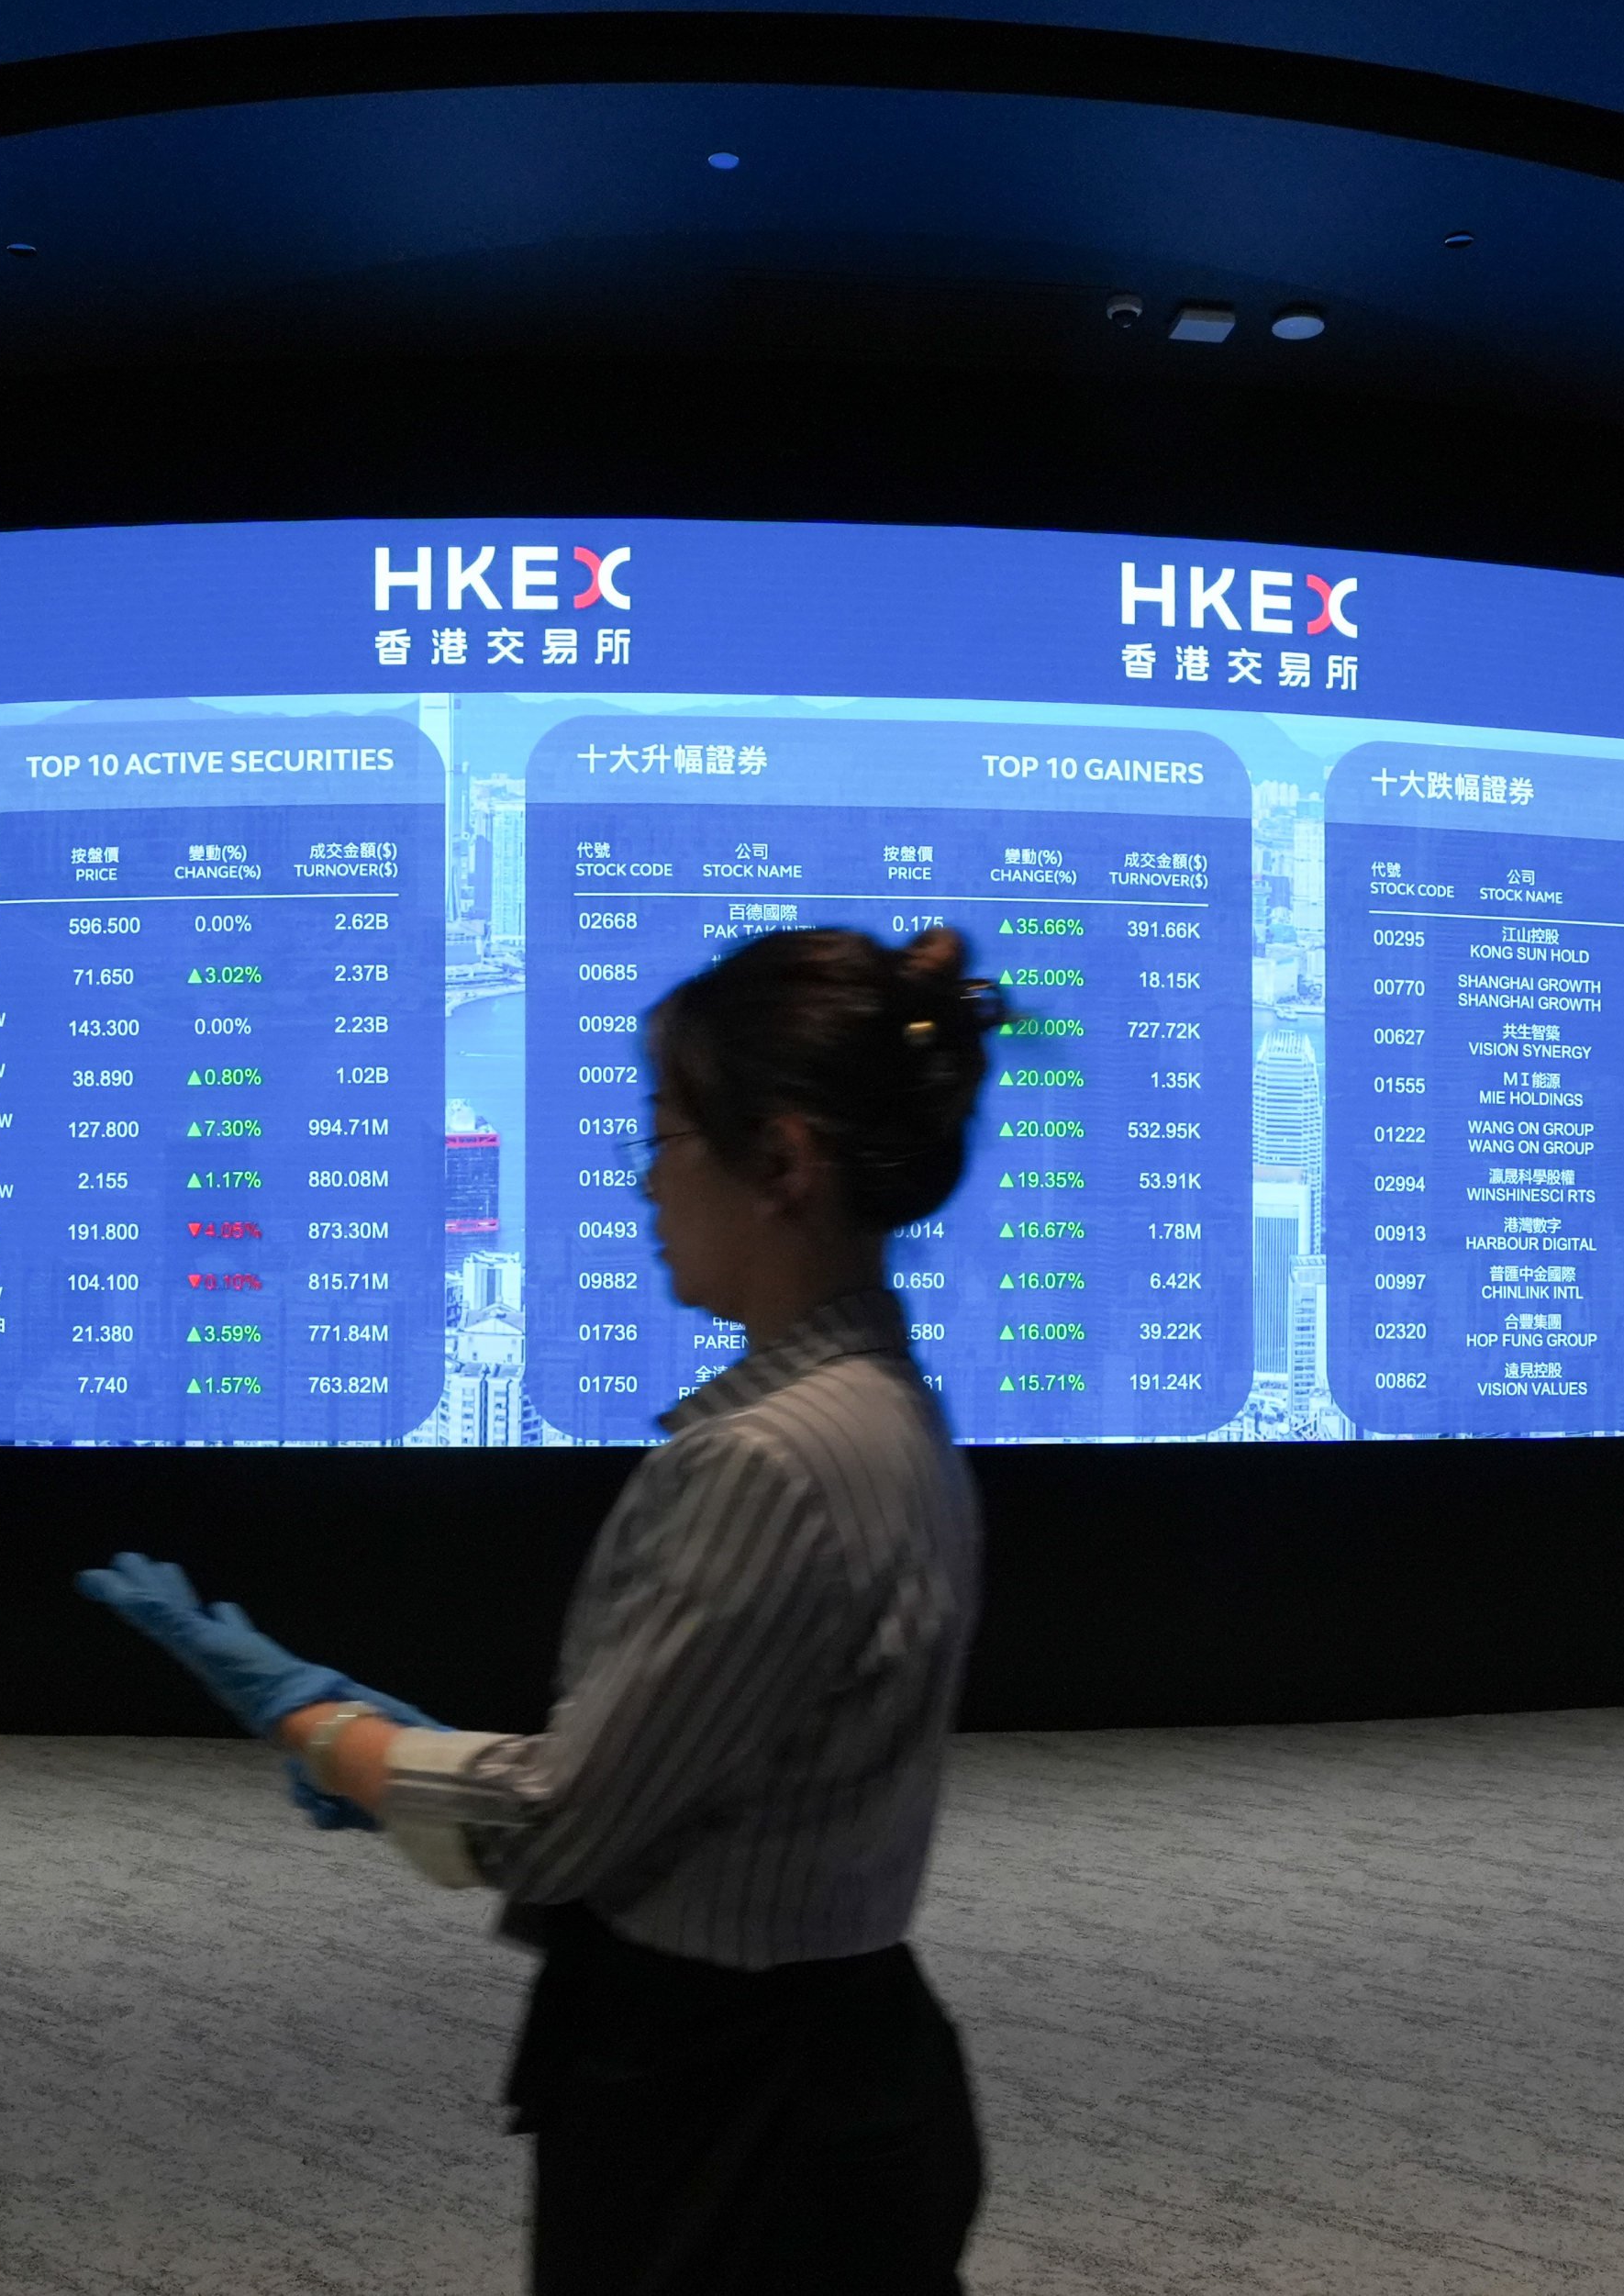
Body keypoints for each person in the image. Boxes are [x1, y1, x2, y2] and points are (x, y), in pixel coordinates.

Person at [80, 921, 1006, 2294]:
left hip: (732, 2113)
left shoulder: (771, 1462)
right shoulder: (884, 1410)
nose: (645, 1183)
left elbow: (564, 1827)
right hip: (839, 2065)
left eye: (667, 1135)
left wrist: (331, 1734)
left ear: (785, 1162)